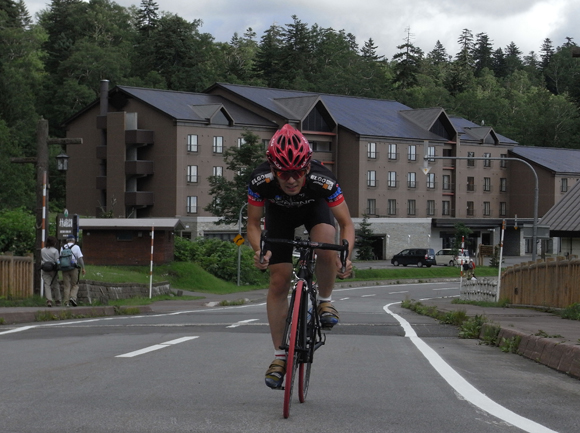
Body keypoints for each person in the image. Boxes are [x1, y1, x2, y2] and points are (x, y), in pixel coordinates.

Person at [246, 124, 355, 389]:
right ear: (273, 169)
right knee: (278, 281)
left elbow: (347, 224)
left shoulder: (323, 179)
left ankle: (325, 301)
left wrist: (345, 255)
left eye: (297, 172)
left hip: (314, 211)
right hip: (279, 217)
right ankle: (279, 357)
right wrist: (259, 251)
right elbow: (252, 224)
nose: (291, 179)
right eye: (284, 173)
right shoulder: (260, 181)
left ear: (307, 168)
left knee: (325, 243)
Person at [60, 234, 86, 306]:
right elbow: (80, 258)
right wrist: (83, 267)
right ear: (74, 240)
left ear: (67, 240)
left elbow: (60, 257)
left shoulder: (63, 247)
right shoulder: (76, 247)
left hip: (65, 268)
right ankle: (72, 297)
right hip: (74, 268)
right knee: (75, 285)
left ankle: (66, 302)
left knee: (66, 285)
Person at [40, 236, 62, 307]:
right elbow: (57, 260)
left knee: (47, 284)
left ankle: (49, 300)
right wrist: (59, 266)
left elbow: (42, 258)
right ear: (54, 242)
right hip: (53, 269)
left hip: (45, 268)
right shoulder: (55, 251)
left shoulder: (42, 250)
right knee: (55, 284)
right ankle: (58, 300)